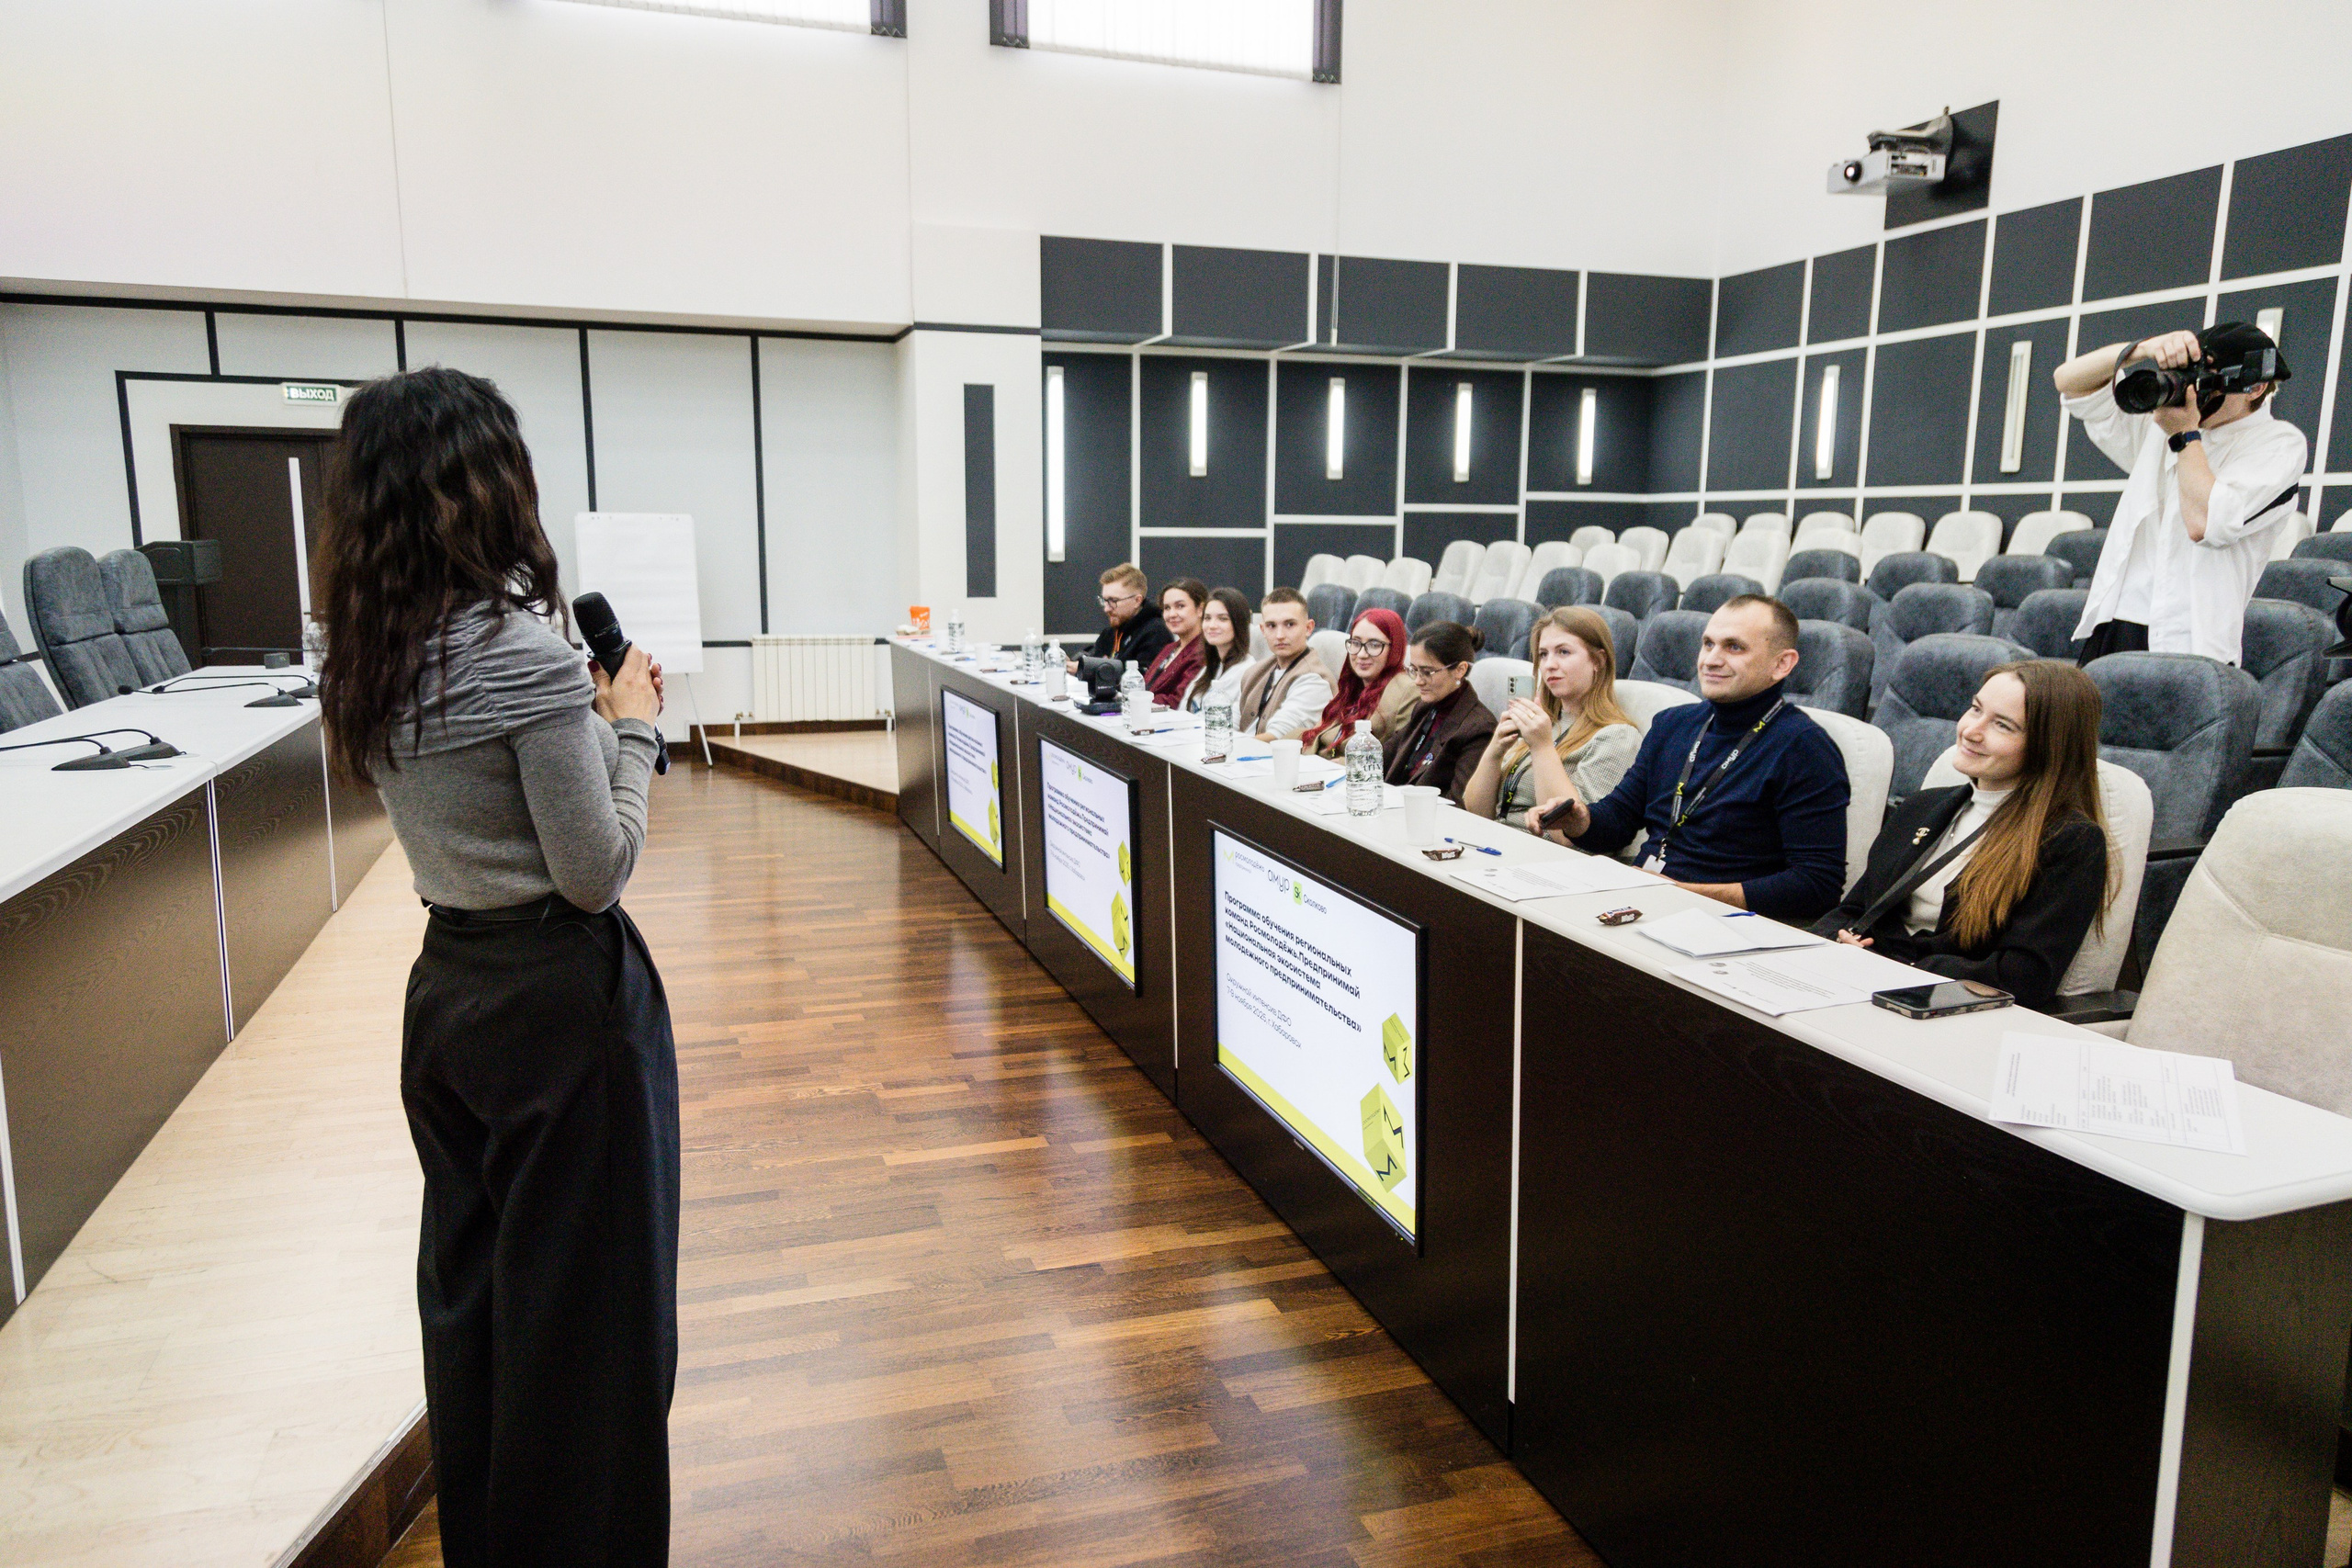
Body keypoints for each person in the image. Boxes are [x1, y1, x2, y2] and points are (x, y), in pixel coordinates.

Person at [313, 368, 678, 1567]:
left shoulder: (364, 654)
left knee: (476, 1301)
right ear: (483, 486)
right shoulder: (520, 654)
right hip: (559, 1010)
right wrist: (633, 725)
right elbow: (594, 869)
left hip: (449, 994)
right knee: (590, 1332)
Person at [1815, 660, 2113, 1011]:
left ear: (2048, 747)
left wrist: (1896, 967)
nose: (1972, 730)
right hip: (1861, 988)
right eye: (1975, 709)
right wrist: (1834, 943)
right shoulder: (1922, 806)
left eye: (2002, 725)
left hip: (1951, 1012)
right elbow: (1854, 910)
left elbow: (2024, 977)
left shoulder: (2070, 841)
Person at [1532, 595, 1850, 922]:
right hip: (1642, 905)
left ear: (1782, 664)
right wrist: (1579, 819)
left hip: (1727, 925)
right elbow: (1619, 821)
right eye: (1708, 644)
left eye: (1734, 647)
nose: (1711, 660)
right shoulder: (1672, 724)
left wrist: (1679, 891)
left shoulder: (1805, 748)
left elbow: (1817, 886)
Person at [2052, 321, 2308, 665]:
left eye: (2206, 383)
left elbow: (2203, 523)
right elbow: (2068, 382)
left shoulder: (2279, 444)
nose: (2193, 394)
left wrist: (2185, 436)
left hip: (2194, 639)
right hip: (2118, 620)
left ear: (2255, 388)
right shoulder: (2162, 424)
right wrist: (2143, 348)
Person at [1462, 607, 1638, 830]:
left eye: (1563, 652)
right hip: (1493, 839)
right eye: (1543, 654)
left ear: (1598, 661)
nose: (1549, 665)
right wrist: (1495, 750)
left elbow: (1571, 836)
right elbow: (1477, 812)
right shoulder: (1542, 722)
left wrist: (1541, 747)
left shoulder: (1617, 737)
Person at [1383, 620, 1497, 802]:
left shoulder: (1479, 727)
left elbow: (1459, 802)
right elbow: (1385, 756)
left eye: (1427, 672)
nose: (1417, 681)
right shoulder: (1425, 708)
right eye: (1414, 670)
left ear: (1460, 670)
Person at [1302, 607, 1414, 760]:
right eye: (1355, 643)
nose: (1361, 654)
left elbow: (1395, 757)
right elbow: (1319, 738)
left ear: (1394, 648)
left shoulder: (1407, 690)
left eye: (1374, 645)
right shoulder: (1352, 687)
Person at [1234, 588, 1333, 742]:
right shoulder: (1254, 672)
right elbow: (1229, 723)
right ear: (1263, 630)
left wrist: (1228, 747)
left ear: (1308, 628)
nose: (1280, 635)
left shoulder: (1315, 681)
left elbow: (1277, 738)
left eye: (1290, 624)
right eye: (1272, 626)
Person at [1065, 561, 1171, 675]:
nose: (1106, 609)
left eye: (1113, 601)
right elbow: (1092, 658)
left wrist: (1087, 669)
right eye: (1104, 601)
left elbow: (1144, 678)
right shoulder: (1109, 634)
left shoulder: (1156, 633)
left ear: (1137, 600)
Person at [1183, 586, 1256, 713]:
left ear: (1239, 623)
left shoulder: (1248, 672)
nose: (1212, 626)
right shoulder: (1209, 669)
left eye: (1223, 619)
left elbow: (1234, 720)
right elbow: (1184, 710)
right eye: (1207, 618)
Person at [1140, 577, 1208, 707]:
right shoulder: (1169, 648)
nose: (1171, 614)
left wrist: (1138, 701)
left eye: (1180, 606)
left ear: (1200, 609)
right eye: (1167, 608)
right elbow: (1144, 687)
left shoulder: (1203, 652)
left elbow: (1178, 701)